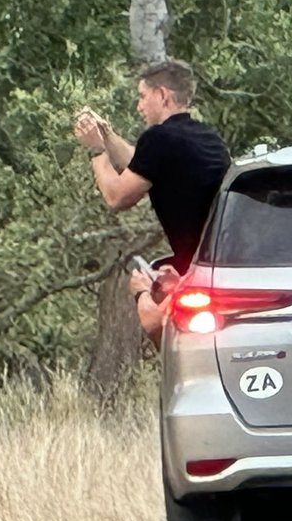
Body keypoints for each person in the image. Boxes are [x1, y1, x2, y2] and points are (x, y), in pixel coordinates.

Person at [73, 59, 230, 341]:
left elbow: (116, 196)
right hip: (218, 260)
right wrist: (107, 135)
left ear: (162, 95)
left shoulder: (159, 139)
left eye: (143, 96)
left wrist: (96, 151)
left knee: (145, 298)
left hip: (197, 271)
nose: (139, 106)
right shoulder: (206, 137)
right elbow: (143, 165)